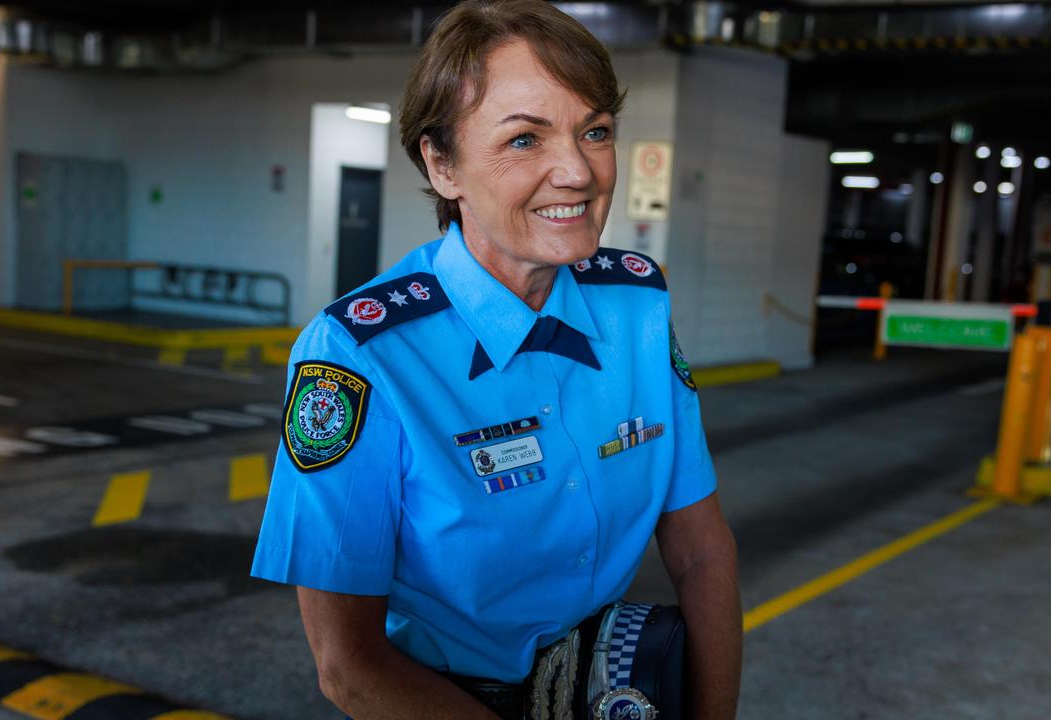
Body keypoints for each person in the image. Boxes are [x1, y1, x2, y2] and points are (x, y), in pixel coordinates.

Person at [250, 1, 741, 718]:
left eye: (595, 131)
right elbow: (348, 668)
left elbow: (701, 553)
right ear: (441, 163)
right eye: (524, 140)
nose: (576, 171)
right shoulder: (361, 355)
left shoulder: (636, 303)